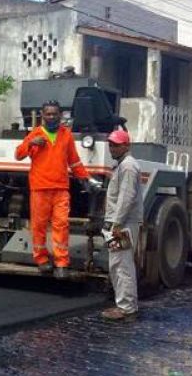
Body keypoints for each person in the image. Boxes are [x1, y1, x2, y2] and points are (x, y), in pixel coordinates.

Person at [14, 100, 92, 279]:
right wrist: (30, 143)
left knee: (61, 225)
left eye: (54, 114)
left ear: (60, 115)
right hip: (40, 188)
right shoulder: (35, 134)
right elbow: (18, 155)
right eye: (48, 114)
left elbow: (74, 161)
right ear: (43, 115)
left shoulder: (66, 135)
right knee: (39, 226)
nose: (51, 117)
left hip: (60, 188)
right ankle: (41, 260)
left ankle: (61, 263)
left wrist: (85, 178)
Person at [101, 129, 141, 322]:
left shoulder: (128, 166)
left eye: (117, 145)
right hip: (120, 223)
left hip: (123, 225)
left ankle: (127, 309)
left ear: (127, 146)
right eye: (111, 145)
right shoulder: (123, 165)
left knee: (122, 265)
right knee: (118, 264)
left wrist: (117, 223)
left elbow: (126, 196)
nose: (112, 148)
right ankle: (124, 305)